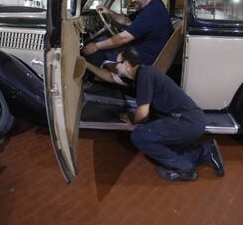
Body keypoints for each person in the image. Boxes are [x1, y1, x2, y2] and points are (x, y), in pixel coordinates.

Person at [85, 48, 224, 182]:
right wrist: (85, 64)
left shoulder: (145, 75)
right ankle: (206, 151)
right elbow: (109, 77)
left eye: (117, 63)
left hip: (185, 121)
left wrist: (133, 120)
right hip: (190, 120)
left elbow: (143, 111)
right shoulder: (139, 77)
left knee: (139, 136)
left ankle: (185, 170)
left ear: (126, 65)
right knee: (160, 139)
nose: (115, 66)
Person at [83, 0, 173, 66]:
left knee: (96, 50)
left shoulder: (153, 11)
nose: (132, 0)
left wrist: (96, 46)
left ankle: (96, 77)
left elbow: (123, 38)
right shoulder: (149, 6)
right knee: (103, 41)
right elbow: (126, 20)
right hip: (139, 49)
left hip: (143, 58)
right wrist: (109, 12)